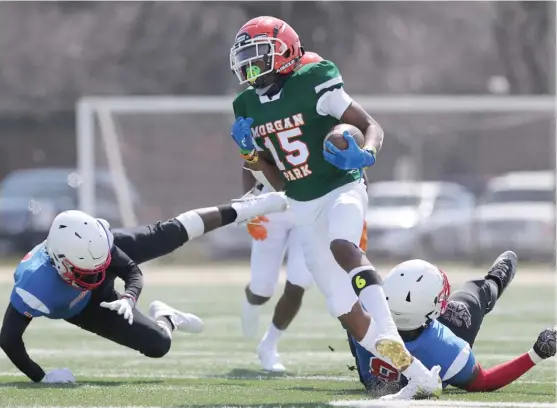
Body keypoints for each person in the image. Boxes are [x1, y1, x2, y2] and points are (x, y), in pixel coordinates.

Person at [228, 15, 441, 400]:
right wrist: (249, 155)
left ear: (286, 51)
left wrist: (366, 154)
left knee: (344, 246)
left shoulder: (313, 79)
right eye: (246, 58)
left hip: (342, 186)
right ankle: (420, 376)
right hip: (302, 205)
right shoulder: (245, 104)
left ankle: (390, 331)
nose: (250, 66)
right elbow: (280, 181)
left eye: (259, 55)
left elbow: (369, 124)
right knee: (346, 312)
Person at [0, 192, 287, 383]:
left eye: (101, 265)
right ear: (60, 262)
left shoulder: (98, 247)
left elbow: (130, 270)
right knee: (158, 345)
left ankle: (245, 207)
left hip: (104, 271)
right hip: (84, 308)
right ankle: (168, 317)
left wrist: (128, 296)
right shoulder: (35, 286)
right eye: (88, 271)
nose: (98, 274)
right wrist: (41, 376)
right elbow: (9, 338)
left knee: (170, 234)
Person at [348, 251, 556, 396]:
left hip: (375, 361)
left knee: (353, 326)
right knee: (472, 298)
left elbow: (347, 309)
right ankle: (493, 281)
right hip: (428, 351)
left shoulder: (361, 312)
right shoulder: (445, 348)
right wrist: (536, 354)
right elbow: (485, 381)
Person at [241, 50, 325, 373]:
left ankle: (269, 345)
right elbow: (250, 160)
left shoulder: (329, 110)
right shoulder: (264, 104)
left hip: (312, 204)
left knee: (299, 281)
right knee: (262, 289)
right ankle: (251, 301)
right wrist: (249, 201)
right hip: (275, 203)